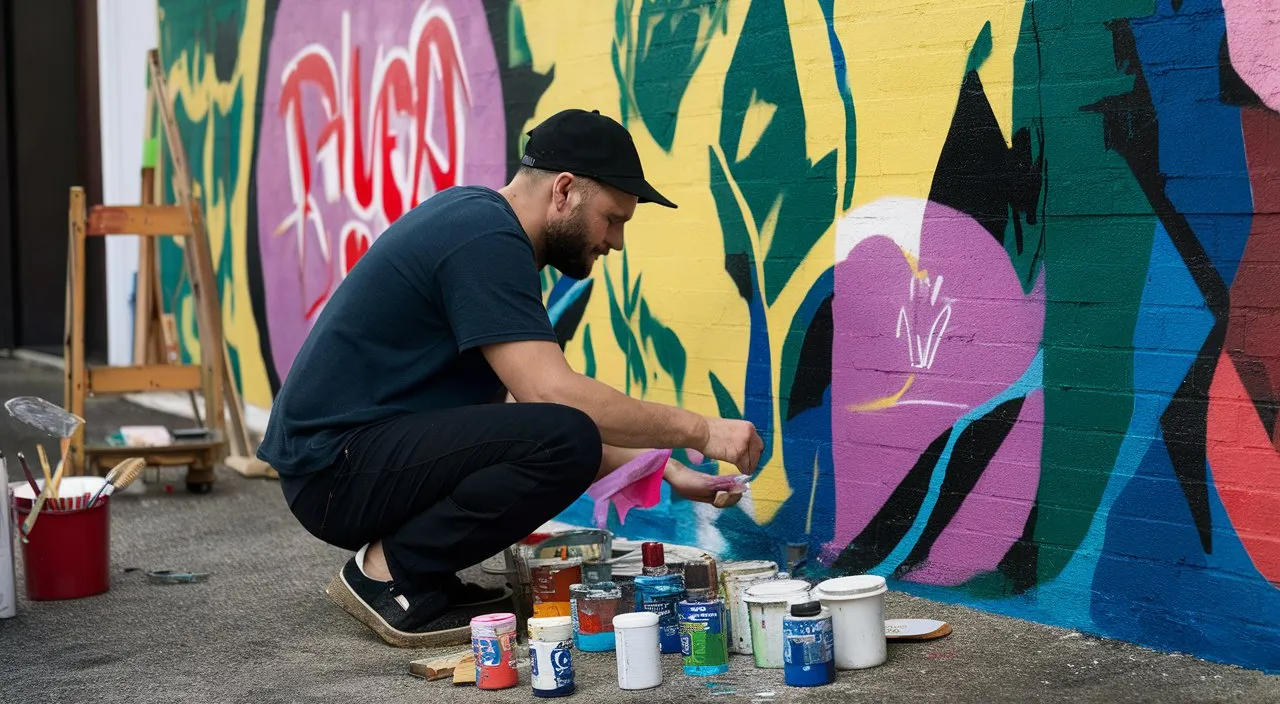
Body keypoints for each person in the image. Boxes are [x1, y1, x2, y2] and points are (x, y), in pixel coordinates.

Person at [256, 108, 764, 648]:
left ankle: (419, 572)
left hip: (346, 464)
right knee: (563, 433)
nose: (615, 242)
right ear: (564, 190)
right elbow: (554, 400)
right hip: (336, 472)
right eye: (613, 218)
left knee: (557, 433)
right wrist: (702, 432)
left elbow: (513, 426)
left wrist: (662, 471)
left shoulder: (483, 228)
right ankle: (387, 576)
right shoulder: (485, 240)